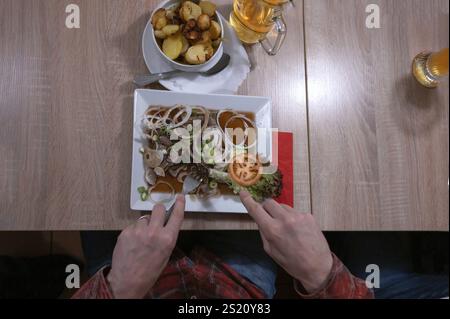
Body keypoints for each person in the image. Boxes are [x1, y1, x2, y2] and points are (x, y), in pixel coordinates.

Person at [73, 191, 373, 299]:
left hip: (130, 287)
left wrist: (121, 289)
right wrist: (321, 273)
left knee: (93, 185)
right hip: (239, 284)